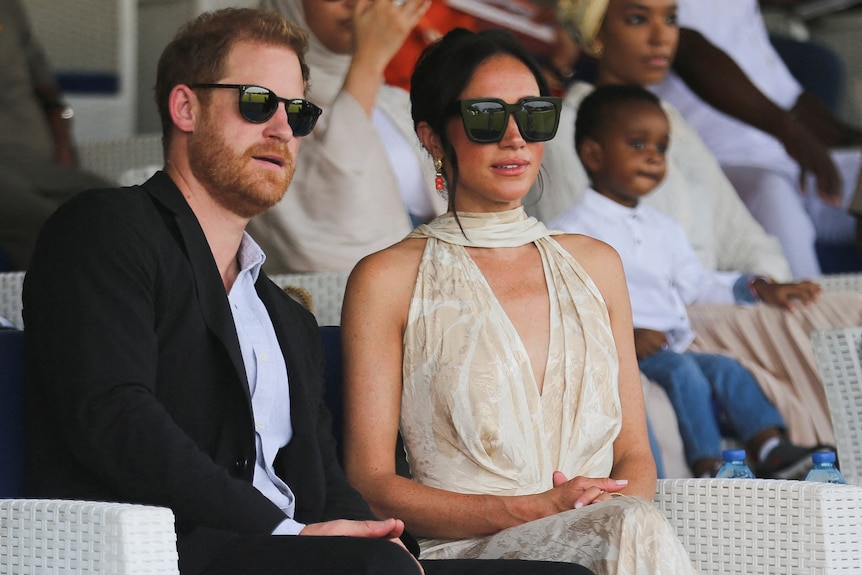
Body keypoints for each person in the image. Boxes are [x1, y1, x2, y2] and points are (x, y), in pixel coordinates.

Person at [22, 9, 591, 575]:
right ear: (185, 107)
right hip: (164, 548)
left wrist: (371, 533)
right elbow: (115, 418)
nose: (280, 129)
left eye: (297, 112)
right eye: (256, 103)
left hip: (298, 550)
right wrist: (289, 531)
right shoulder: (106, 227)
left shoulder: (283, 316)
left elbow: (326, 478)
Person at [340, 27, 697, 575]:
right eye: (486, 116)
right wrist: (533, 511)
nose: (515, 138)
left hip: (616, 536)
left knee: (632, 524)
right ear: (434, 137)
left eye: (534, 116)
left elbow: (635, 455)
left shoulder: (598, 266)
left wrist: (597, 513)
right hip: (474, 555)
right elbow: (372, 485)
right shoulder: (386, 279)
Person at [545, 0, 862, 449]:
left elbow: (741, 229)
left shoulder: (672, 123)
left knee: (836, 308)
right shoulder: (568, 131)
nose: (661, 37)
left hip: (722, 297)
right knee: (850, 317)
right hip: (668, 326)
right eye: (638, 19)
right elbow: (580, 265)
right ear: (596, 33)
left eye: (671, 20)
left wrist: (767, 285)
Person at [551, 84, 823, 479]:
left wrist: (759, 287)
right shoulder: (570, 232)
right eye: (637, 144)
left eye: (661, 148)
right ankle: (708, 466)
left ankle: (771, 449)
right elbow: (569, 306)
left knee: (729, 369)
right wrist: (627, 333)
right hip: (626, 352)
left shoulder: (664, 228)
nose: (652, 157)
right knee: (685, 375)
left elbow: (696, 284)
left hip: (674, 345)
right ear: (593, 154)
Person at [650, 0, 862, 278]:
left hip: (785, 156)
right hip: (717, 162)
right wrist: (789, 132)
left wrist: (850, 137)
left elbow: (785, 95)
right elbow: (688, 49)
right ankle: (813, 316)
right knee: (772, 191)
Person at [249, 0, 448, 273]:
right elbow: (329, 226)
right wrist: (368, 60)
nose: (354, 4)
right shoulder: (263, 104)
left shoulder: (393, 101)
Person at [0, 0, 111, 270]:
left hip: (30, 154)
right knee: (41, 218)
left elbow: (47, 88)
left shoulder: (9, 8)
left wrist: (63, 145)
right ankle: (55, 306)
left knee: (112, 202)